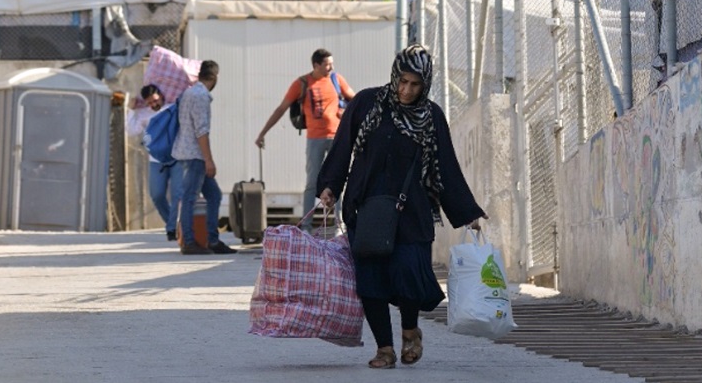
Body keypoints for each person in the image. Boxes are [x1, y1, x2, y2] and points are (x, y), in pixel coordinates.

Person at [316, 44, 486, 369]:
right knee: (371, 282)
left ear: (426, 84)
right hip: (366, 208)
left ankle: (410, 330)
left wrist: (467, 213)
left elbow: (446, 166)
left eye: (415, 84)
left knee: (409, 272)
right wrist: (330, 187)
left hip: (412, 211)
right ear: (394, 76)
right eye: (403, 81)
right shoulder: (366, 103)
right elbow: (342, 146)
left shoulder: (432, 116)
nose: (407, 90)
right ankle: (384, 348)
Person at [255, 48, 355, 229]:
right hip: (315, 139)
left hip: (337, 137)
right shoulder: (302, 83)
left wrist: (346, 112)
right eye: (327, 64)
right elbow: (281, 109)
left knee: (339, 179)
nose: (331, 67)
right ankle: (306, 226)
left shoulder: (336, 79)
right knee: (312, 182)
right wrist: (263, 133)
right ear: (316, 65)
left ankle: (340, 224)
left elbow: (355, 101)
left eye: (332, 63)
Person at [171, 60, 237, 255]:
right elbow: (201, 131)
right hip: (195, 155)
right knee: (190, 197)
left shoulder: (188, 92)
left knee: (214, 195)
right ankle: (189, 242)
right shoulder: (201, 96)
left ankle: (212, 240)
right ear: (214, 77)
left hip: (186, 151)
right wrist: (209, 159)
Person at [125, 84, 183, 240]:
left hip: (177, 158)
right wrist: (131, 110)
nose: (154, 105)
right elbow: (131, 131)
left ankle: (172, 229)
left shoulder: (173, 108)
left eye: (156, 101)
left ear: (161, 96)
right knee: (157, 194)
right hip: (157, 160)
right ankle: (172, 224)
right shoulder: (144, 115)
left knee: (177, 194)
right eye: (150, 103)